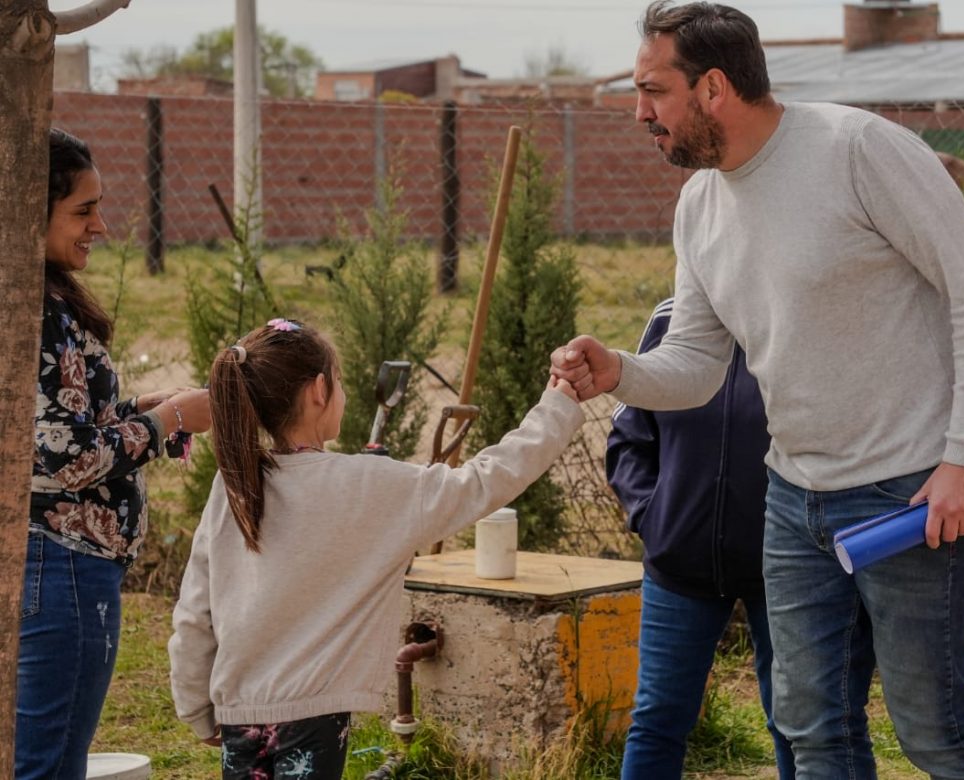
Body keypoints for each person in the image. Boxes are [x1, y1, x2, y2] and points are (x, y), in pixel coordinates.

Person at [550, 2, 964, 777]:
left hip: (911, 492)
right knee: (809, 726)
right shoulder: (700, 203)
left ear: (714, 88)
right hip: (794, 498)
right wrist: (620, 371)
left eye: (653, 91)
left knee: (933, 728)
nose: (639, 113)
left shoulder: (858, 149)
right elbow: (697, 364)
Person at [167, 318, 583, 779]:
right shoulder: (370, 485)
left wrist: (195, 706)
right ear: (319, 390)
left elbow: (195, 610)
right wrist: (558, 405)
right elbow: (485, 480)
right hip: (314, 715)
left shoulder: (232, 485)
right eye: (340, 380)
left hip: (238, 713)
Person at [19, 128, 212, 779]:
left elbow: (46, 432)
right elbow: (66, 460)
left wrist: (132, 413)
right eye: (83, 210)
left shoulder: (31, 299)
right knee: (49, 765)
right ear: (29, 210)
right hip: (62, 566)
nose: (100, 225)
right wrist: (169, 420)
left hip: (46, 562)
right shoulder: (38, 314)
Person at [607, 298, 795, 779]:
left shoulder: (798, 313)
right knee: (657, 720)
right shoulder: (670, 320)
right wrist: (652, 516)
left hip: (788, 566)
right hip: (679, 564)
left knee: (797, 724)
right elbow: (629, 437)